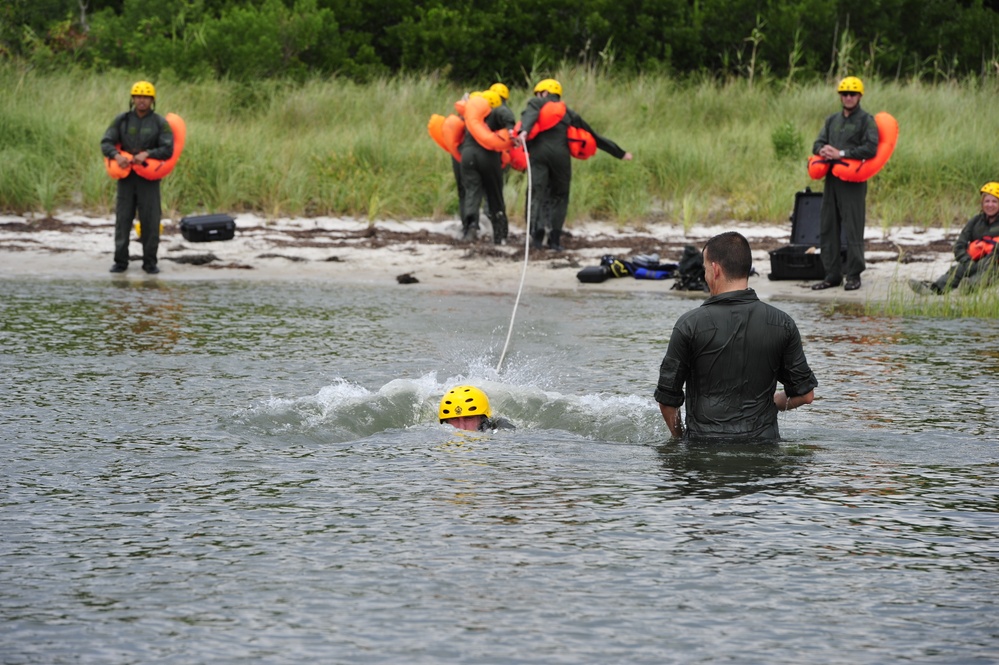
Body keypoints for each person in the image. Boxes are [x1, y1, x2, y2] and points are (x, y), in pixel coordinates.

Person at [654, 232, 817, 442]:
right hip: (763, 451)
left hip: (704, 450)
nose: (705, 276)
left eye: (704, 269)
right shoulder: (782, 323)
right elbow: (805, 395)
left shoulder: (689, 325)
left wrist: (679, 438)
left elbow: (667, 401)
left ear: (715, 269)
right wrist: (769, 403)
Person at [518, 78, 633, 251]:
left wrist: (524, 131)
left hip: (539, 156)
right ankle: (555, 240)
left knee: (537, 194)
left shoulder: (536, 103)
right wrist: (620, 153)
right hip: (561, 157)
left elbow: (529, 116)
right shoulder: (568, 113)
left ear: (544, 93)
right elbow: (593, 135)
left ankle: (537, 236)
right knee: (560, 196)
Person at [810, 76, 879, 292]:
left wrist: (841, 153)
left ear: (859, 96)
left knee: (853, 226)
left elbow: (871, 148)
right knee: (828, 225)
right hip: (832, 180)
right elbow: (817, 143)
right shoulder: (832, 120)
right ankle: (832, 275)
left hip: (853, 182)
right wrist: (823, 150)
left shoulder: (866, 120)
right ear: (840, 96)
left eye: (852, 94)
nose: (848, 97)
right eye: (845, 93)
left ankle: (854, 274)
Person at [101, 81, 174, 274]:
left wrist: (148, 154)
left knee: (150, 220)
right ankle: (120, 261)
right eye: (138, 96)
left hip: (148, 181)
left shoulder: (160, 123)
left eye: (146, 97)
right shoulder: (122, 120)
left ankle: (150, 262)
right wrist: (117, 156)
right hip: (126, 179)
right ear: (132, 99)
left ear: (152, 100)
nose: (142, 100)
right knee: (123, 219)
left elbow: (168, 149)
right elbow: (106, 142)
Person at [910, 182, 999, 295]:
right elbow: (959, 246)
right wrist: (967, 262)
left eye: (994, 201)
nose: (990, 205)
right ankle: (934, 289)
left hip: (994, 265)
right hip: (973, 261)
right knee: (958, 270)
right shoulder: (975, 221)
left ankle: (968, 287)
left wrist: (985, 261)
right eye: (987, 201)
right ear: (982, 203)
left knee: (988, 272)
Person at [459, 90, 515, 244]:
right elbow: (504, 114)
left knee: (472, 191)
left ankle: (470, 227)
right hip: (488, 157)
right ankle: (500, 235)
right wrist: (511, 128)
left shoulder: (470, 117)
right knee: (495, 194)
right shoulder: (495, 114)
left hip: (468, 156)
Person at [439, 385, 515, 432]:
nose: (462, 428)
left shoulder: (500, 430)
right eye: (454, 419)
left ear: (482, 419)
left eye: (469, 418)